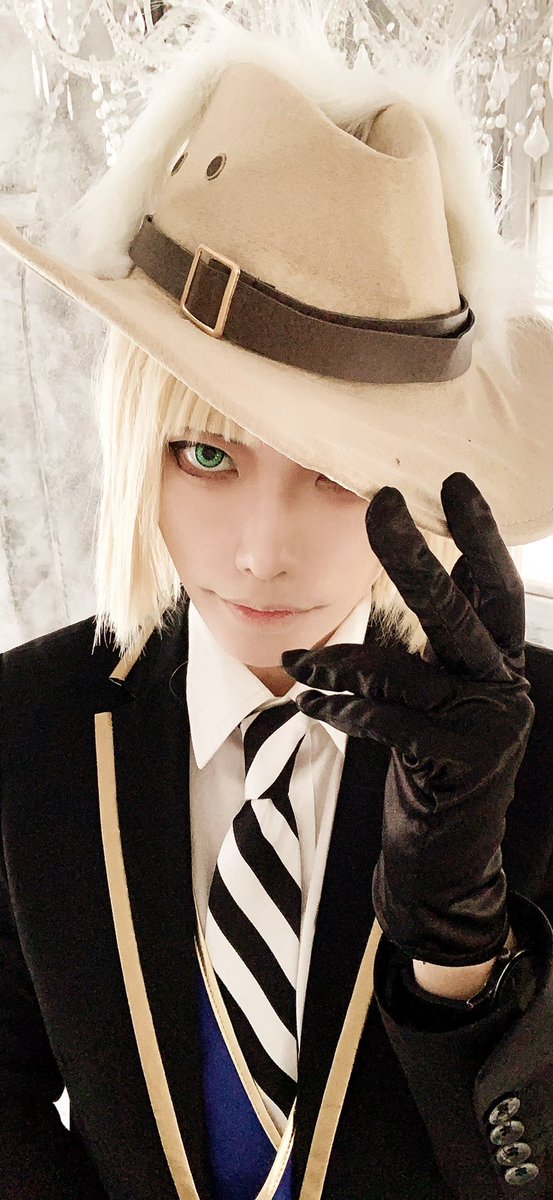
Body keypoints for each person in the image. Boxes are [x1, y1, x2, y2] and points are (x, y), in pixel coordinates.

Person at [1, 3, 553, 1197]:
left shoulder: (536, 739)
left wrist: (458, 941)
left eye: (337, 474)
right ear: (134, 440)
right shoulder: (22, 726)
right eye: (205, 455)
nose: (259, 554)